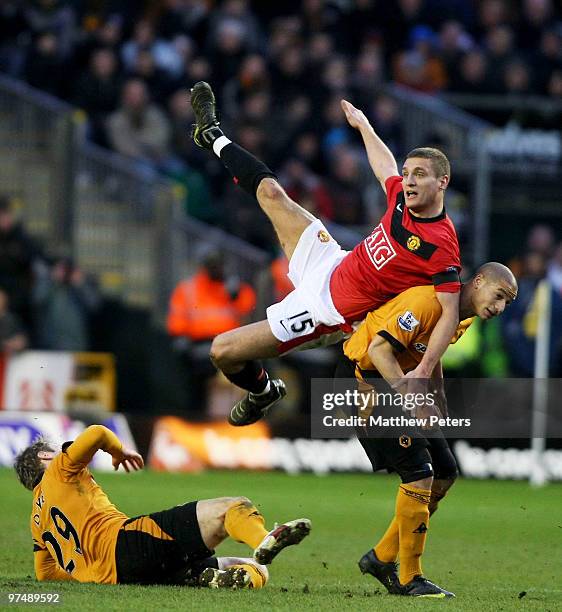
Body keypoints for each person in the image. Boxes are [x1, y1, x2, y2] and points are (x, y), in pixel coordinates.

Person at [189, 81, 462, 427]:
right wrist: (365, 127)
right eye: (408, 174)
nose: (407, 182)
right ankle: (212, 135)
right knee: (272, 192)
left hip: (327, 312)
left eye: (419, 175)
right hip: (331, 260)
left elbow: (448, 313)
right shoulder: (402, 201)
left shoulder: (442, 243)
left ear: (443, 182)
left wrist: (424, 372)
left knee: (222, 351)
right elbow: (385, 169)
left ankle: (261, 391)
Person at [339, 262, 517, 598]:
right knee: (419, 472)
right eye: (498, 296)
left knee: (446, 471)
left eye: (507, 303)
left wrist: (439, 400)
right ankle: (410, 578)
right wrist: (413, 400)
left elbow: (430, 359)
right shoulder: (427, 302)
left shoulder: (459, 318)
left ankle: (381, 558)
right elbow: (378, 350)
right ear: (478, 282)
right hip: (363, 380)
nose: (500, 307)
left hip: (397, 382)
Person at [14, 425, 311, 589]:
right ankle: (263, 539)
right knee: (233, 508)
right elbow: (96, 434)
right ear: (44, 457)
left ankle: (215, 577)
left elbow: (47, 575)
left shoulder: (36, 522)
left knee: (253, 569)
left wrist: (89, 571)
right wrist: (119, 452)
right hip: (127, 544)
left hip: (119, 576)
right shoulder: (59, 469)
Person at [167, 246, 256, 412]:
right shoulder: (189, 289)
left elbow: (249, 312)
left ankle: (238, 416)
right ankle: (196, 418)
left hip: (232, 344)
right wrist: (182, 339)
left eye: (219, 265)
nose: (217, 269)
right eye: (213, 265)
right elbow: (177, 322)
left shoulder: (233, 288)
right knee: (197, 384)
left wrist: (235, 295)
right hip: (199, 347)